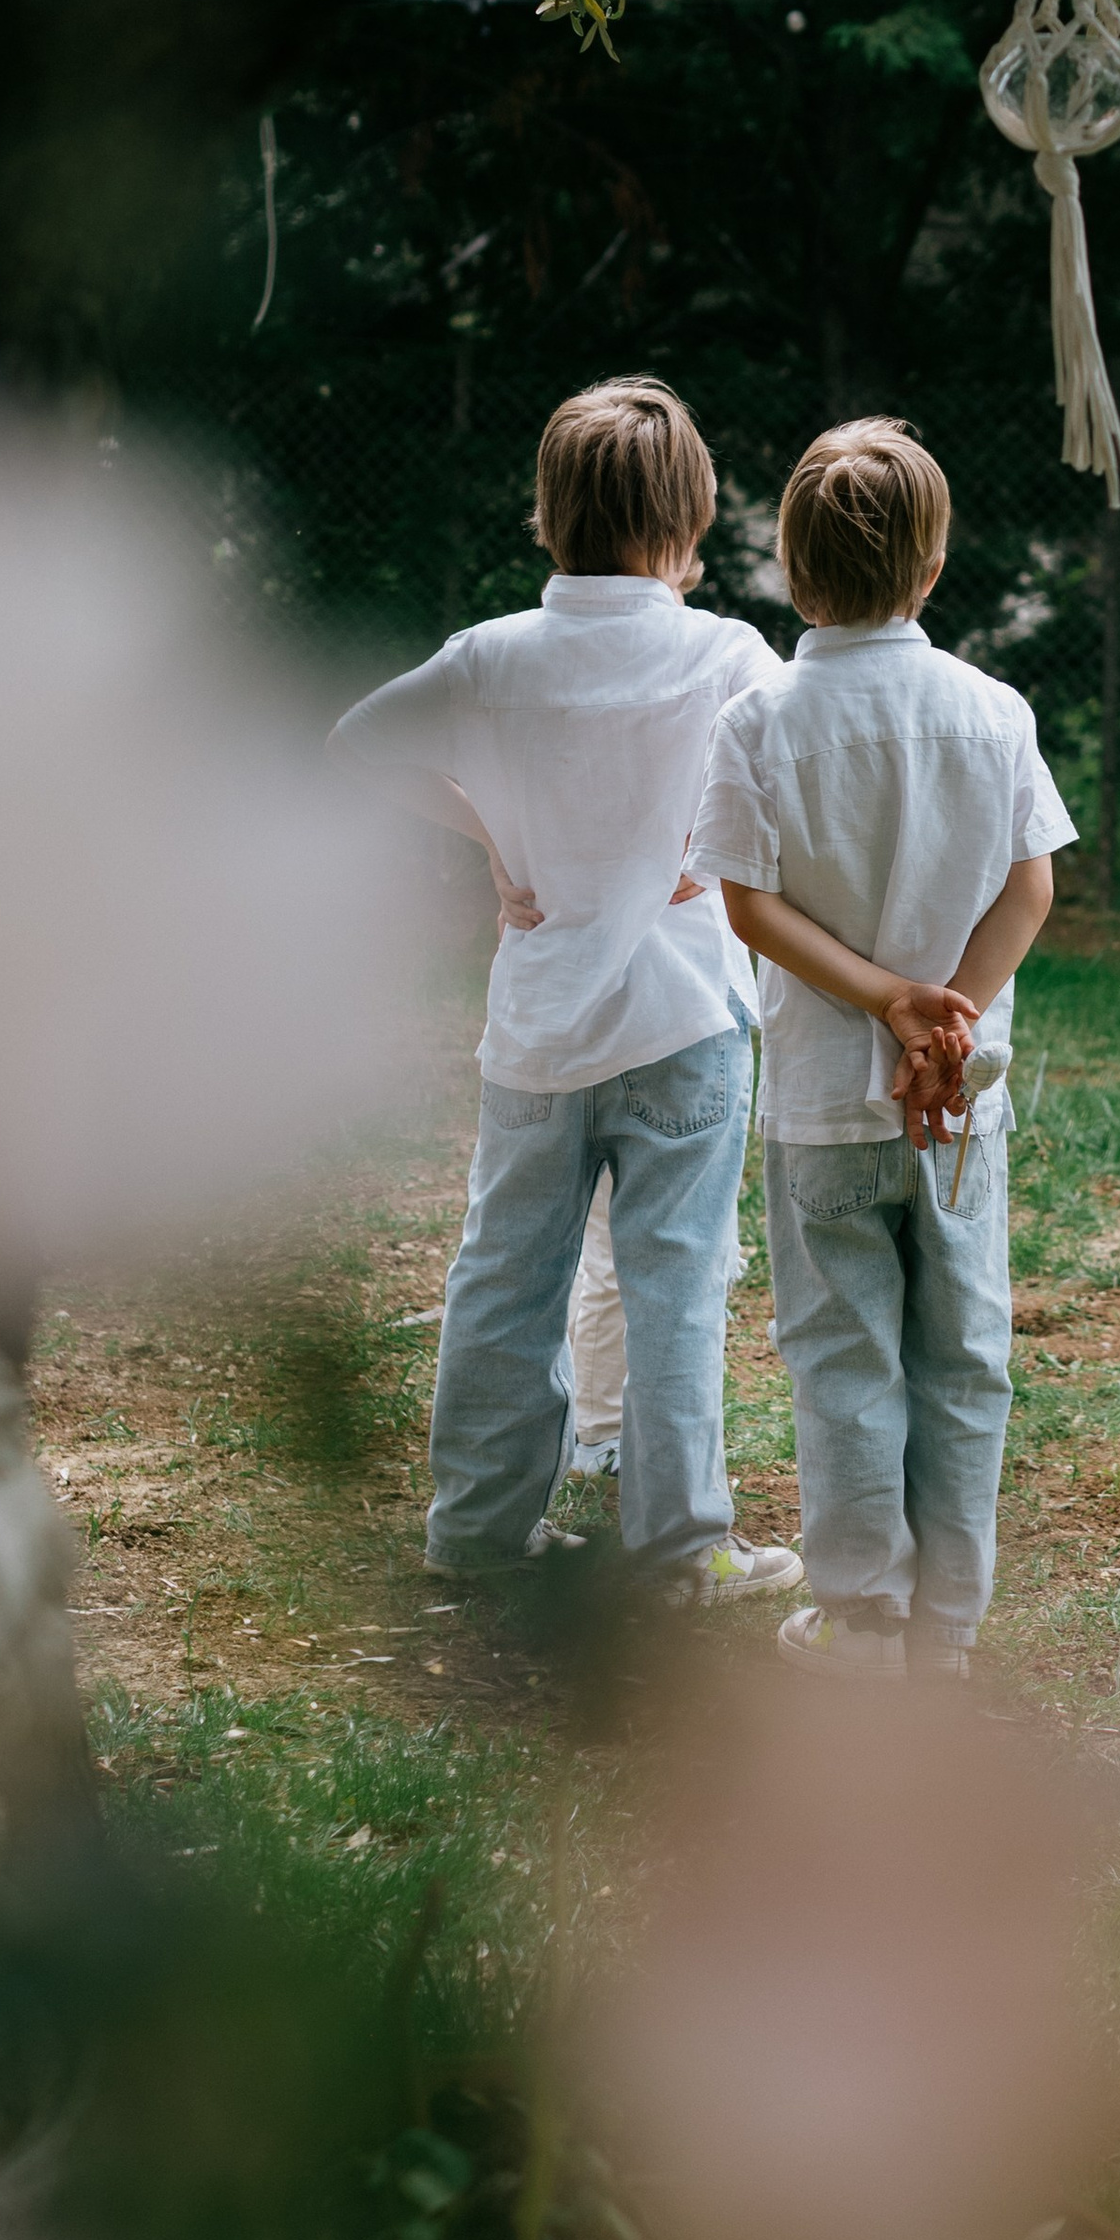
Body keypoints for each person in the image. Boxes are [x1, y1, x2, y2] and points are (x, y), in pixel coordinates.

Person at [329, 375, 803, 1602]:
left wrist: (484, 831)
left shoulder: (489, 657)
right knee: (676, 1290)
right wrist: (714, 843)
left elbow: (354, 743)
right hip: (686, 1024)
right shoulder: (728, 653)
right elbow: (795, 774)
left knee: (503, 1278)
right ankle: (681, 1553)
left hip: (535, 1033)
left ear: (549, 514)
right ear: (690, 519)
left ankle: (477, 1532)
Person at [689, 418, 1073, 1683]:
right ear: (932, 569)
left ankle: (863, 1623)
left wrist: (885, 1006)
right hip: (961, 1105)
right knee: (963, 1354)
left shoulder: (757, 722)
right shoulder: (993, 707)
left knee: (844, 1355)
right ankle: (947, 1635)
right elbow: (1030, 888)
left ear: (792, 573)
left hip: (819, 1104)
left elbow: (746, 905)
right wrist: (948, 1010)